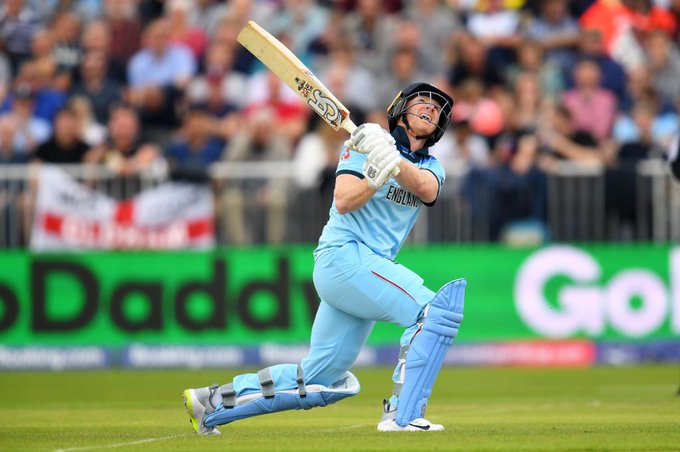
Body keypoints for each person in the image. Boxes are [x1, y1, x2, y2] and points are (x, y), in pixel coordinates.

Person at [182, 82, 466, 433]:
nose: (430, 108)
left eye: (437, 108)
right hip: (344, 256)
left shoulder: (431, 166)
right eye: (422, 101)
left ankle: (212, 402)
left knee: (321, 378)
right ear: (400, 108)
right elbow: (344, 200)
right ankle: (402, 416)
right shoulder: (361, 145)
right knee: (434, 312)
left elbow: (425, 189)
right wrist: (374, 177)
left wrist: (391, 160)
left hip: (366, 271)